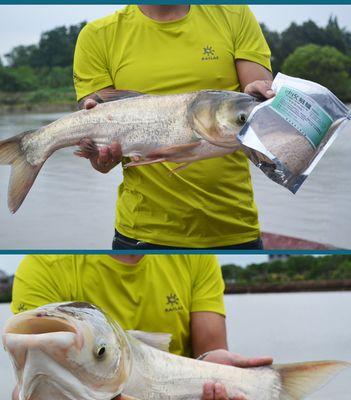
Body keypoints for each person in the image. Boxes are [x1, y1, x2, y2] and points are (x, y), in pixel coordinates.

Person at [73, 5, 274, 250]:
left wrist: (262, 98)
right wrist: (100, 157)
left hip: (236, 228)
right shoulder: (97, 35)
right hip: (141, 233)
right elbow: (100, 159)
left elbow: (259, 113)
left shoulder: (234, 14)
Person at [11, 254, 273, 400]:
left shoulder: (197, 257)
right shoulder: (43, 266)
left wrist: (217, 368)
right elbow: (26, 382)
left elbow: (211, 351)